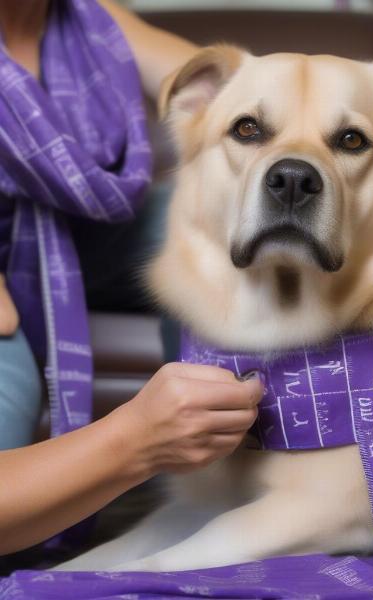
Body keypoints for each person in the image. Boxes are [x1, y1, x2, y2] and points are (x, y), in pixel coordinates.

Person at [0, 0, 263, 557]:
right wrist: (137, 439)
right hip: (11, 265)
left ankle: (248, 466)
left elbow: (252, 91)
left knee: (209, 209)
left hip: (91, 234)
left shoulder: (89, 16)